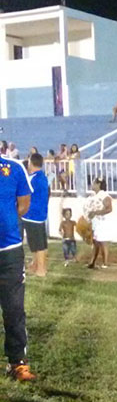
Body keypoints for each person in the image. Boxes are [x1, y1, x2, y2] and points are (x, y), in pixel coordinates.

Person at [0, 149, 35, 380]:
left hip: (10, 251)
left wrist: (8, 220)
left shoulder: (14, 168)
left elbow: (24, 203)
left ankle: (17, 363)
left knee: (14, 309)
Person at [21, 153, 50, 278]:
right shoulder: (42, 177)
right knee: (36, 243)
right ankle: (36, 265)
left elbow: (24, 194)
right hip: (39, 215)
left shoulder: (33, 179)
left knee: (38, 245)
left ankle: (41, 269)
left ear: (31, 163)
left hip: (32, 215)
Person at [85, 177, 113, 269]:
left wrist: (96, 213)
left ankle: (105, 263)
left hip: (102, 223)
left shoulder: (104, 195)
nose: (92, 185)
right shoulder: (94, 195)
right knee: (95, 242)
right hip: (96, 223)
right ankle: (92, 262)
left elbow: (109, 209)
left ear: (99, 184)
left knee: (103, 242)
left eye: (94, 183)